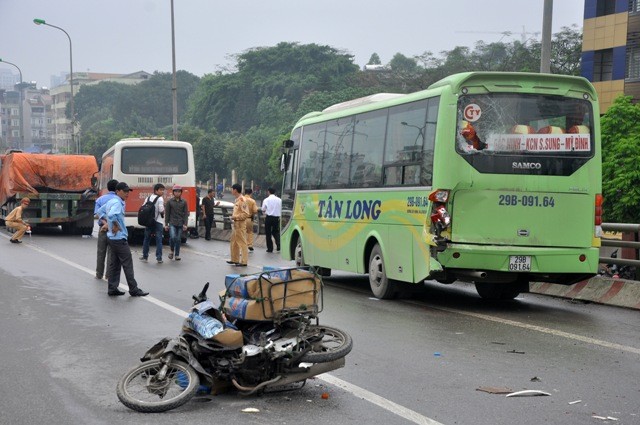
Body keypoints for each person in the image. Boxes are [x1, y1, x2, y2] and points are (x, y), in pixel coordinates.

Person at [99, 182, 148, 297]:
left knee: (114, 264)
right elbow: (111, 214)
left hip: (112, 238)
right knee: (127, 264)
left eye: (128, 191)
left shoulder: (112, 201)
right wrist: (114, 225)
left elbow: (100, 211)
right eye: (125, 191)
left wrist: (107, 224)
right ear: (118, 191)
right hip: (119, 238)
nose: (127, 194)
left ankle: (112, 288)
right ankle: (133, 289)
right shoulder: (117, 202)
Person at [94, 179, 118, 279]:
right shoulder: (119, 200)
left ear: (107, 188)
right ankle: (108, 275)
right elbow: (118, 215)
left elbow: (97, 214)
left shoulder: (100, 199)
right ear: (117, 189)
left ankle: (99, 274)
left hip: (102, 229)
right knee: (111, 253)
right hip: (114, 229)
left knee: (101, 252)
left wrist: (105, 224)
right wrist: (110, 224)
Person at [140, 183, 165, 263]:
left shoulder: (148, 198)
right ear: (156, 190)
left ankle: (145, 256)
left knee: (146, 239)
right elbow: (161, 210)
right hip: (158, 222)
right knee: (159, 240)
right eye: (161, 190)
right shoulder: (160, 199)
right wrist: (163, 212)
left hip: (149, 222)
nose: (162, 192)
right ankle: (159, 258)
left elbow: (143, 207)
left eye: (163, 190)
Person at [227, 183, 250, 267]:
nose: (231, 191)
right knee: (234, 242)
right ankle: (234, 259)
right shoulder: (237, 200)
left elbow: (246, 214)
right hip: (236, 224)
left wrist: (235, 217)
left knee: (242, 243)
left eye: (232, 189)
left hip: (240, 224)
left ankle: (244, 261)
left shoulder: (242, 200)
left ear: (235, 190)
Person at [164, 184, 188, 261]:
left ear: (181, 192)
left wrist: (185, 224)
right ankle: (171, 251)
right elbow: (167, 214)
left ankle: (177, 255)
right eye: (176, 191)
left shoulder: (184, 202)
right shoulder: (169, 202)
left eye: (179, 191)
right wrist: (166, 224)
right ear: (173, 192)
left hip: (181, 223)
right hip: (172, 223)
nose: (177, 193)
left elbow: (186, 214)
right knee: (173, 237)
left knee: (178, 239)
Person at [261, 187, 282, 253]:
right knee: (276, 231)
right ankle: (279, 245)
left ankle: (270, 248)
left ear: (268, 192)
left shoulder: (266, 200)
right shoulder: (279, 200)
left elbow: (263, 209)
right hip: (277, 218)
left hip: (269, 218)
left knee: (268, 233)